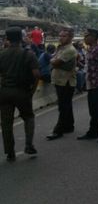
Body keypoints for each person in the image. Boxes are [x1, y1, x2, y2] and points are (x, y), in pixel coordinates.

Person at [0, 27, 40, 161]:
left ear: (7, 39)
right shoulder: (28, 54)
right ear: (21, 38)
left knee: (6, 123)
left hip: (4, 92)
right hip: (22, 92)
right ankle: (29, 145)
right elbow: (36, 75)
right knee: (28, 118)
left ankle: (10, 152)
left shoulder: (2, 54)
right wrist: (32, 91)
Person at [46, 28, 78, 140]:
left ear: (70, 37)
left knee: (63, 106)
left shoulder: (69, 50)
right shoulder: (62, 48)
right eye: (60, 36)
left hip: (65, 81)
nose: (60, 38)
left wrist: (53, 61)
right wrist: (53, 60)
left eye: (63, 36)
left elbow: (55, 62)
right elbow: (53, 59)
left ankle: (58, 130)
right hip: (60, 80)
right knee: (66, 105)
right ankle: (69, 126)